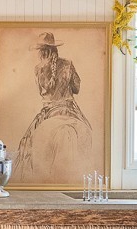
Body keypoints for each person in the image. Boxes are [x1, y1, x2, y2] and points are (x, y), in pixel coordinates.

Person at [17, 31, 93, 183]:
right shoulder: (68, 64)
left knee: (25, 145)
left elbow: (42, 92)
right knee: (88, 129)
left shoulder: (38, 69)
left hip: (49, 112)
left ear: (41, 52)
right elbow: (77, 88)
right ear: (55, 49)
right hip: (70, 109)